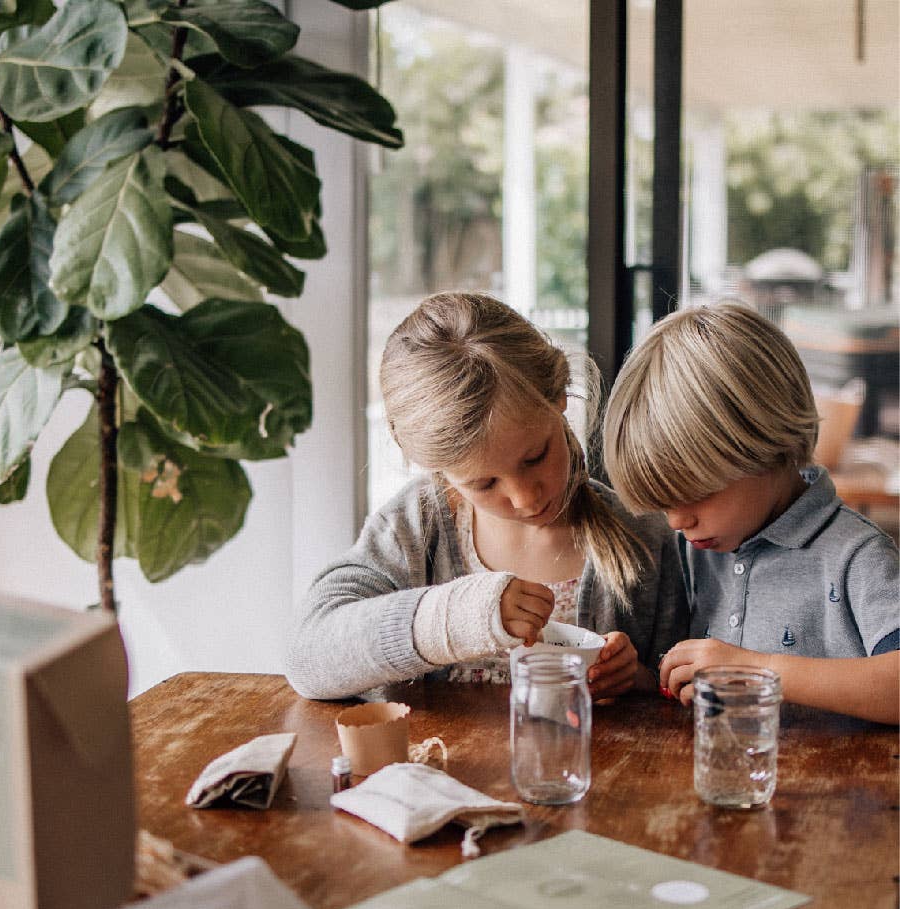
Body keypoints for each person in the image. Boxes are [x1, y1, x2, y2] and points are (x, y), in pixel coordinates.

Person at [285, 292, 688, 700]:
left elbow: (681, 691)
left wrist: (635, 678)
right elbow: (307, 660)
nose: (525, 498)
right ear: (438, 470)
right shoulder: (414, 528)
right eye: (484, 484)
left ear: (560, 398)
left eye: (535, 456)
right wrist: (455, 616)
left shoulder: (643, 537)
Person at [602, 300, 899, 725]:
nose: (676, 521)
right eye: (663, 502)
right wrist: (645, 682)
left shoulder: (856, 556)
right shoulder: (699, 551)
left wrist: (756, 670)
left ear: (766, 444)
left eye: (693, 493)